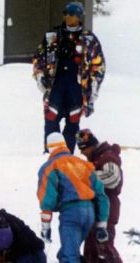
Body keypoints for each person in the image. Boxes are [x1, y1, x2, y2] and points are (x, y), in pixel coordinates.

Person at [37, 132, 109, 263]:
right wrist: (101, 224)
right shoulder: (84, 164)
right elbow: (101, 195)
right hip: (89, 213)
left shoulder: (50, 167)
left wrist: (45, 225)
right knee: (68, 252)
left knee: (70, 255)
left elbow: (47, 199)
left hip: (71, 213)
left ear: (50, 148)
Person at [32, 1, 105, 153]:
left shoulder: (89, 39)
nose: (67, 17)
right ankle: (50, 154)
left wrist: (93, 86)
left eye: (71, 14)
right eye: (65, 14)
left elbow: (98, 65)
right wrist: (40, 76)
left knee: (73, 122)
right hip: (56, 83)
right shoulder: (52, 36)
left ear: (79, 17)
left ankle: (67, 154)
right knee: (51, 118)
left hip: (76, 85)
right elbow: (39, 58)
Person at [76, 129, 130, 263]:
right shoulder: (97, 158)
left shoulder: (108, 157)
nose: (82, 153)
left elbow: (112, 179)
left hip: (107, 207)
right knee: (92, 245)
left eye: (83, 149)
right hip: (97, 208)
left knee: (103, 244)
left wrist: (85, 177)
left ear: (91, 146)